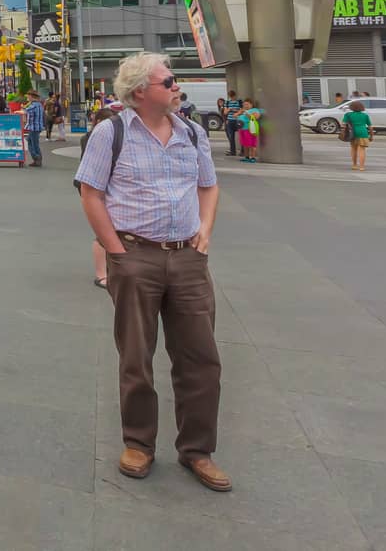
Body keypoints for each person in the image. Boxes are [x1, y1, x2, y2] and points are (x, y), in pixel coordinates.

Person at [75, 52, 228, 493]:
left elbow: (209, 184)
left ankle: (198, 450)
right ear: (141, 91)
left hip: (187, 258)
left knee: (201, 358)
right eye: (169, 80)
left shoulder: (193, 133)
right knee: (136, 357)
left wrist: (205, 231)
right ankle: (139, 443)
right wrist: (116, 251)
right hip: (135, 256)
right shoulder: (112, 132)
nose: (177, 86)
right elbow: (91, 193)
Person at [80, 106, 117, 288]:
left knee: (114, 228)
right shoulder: (92, 138)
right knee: (102, 231)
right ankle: (102, 274)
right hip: (98, 187)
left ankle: (109, 269)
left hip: (110, 188)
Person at [345, 100, 373, 172]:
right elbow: (370, 126)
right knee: (362, 150)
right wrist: (371, 135)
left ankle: (354, 165)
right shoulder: (365, 115)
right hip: (363, 132)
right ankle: (362, 167)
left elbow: (343, 124)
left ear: (351, 107)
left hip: (353, 133)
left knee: (353, 149)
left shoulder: (348, 115)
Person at [24, 90, 46, 167]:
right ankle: (36, 159)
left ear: (32, 97)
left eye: (28, 96)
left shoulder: (34, 105)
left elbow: (26, 111)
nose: (27, 97)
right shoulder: (38, 104)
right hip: (36, 127)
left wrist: (18, 111)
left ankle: (37, 158)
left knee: (34, 144)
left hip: (34, 127)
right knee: (30, 141)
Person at [237, 98, 262, 164]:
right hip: (242, 129)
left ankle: (253, 157)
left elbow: (256, 117)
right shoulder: (242, 110)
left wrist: (246, 112)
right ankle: (246, 157)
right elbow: (236, 116)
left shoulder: (255, 110)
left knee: (252, 144)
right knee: (245, 144)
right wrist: (239, 113)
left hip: (250, 129)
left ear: (251, 104)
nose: (245, 106)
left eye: (247, 104)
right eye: (244, 104)